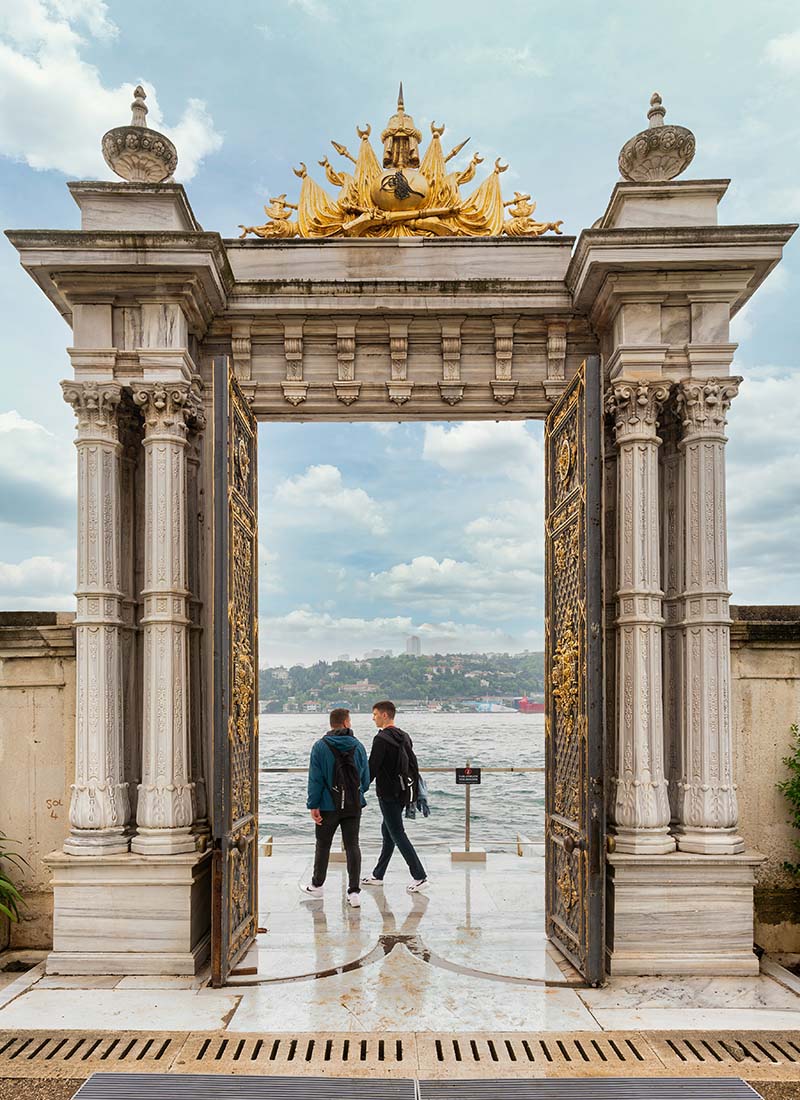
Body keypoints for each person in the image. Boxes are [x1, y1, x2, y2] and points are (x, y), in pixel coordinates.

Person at [301, 707, 370, 908]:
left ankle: (317, 885)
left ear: (331, 724)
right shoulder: (358, 746)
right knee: (352, 845)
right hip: (353, 805)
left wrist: (313, 804)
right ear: (346, 723)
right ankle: (354, 892)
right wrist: (355, 793)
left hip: (327, 805)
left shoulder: (320, 746)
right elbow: (365, 779)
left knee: (323, 845)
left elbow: (315, 779)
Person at [362, 700, 429, 892]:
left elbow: (372, 768)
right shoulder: (404, 736)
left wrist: (359, 788)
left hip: (388, 794)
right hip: (404, 792)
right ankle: (378, 874)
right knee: (388, 832)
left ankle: (420, 876)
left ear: (384, 715)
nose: (373, 718)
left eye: (375, 714)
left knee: (397, 833)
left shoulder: (381, 739)